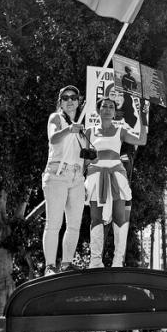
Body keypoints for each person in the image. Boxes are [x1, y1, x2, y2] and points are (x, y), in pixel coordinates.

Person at [84, 94, 147, 268]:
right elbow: (83, 159)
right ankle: (95, 261)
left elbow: (142, 140)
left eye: (111, 107)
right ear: (98, 110)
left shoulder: (121, 131)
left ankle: (118, 261)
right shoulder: (88, 130)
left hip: (117, 176)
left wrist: (143, 118)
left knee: (120, 217)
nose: (107, 109)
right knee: (96, 219)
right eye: (104, 106)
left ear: (114, 112)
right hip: (95, 177)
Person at [42, 85, 88, 274]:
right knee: (53, 223)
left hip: (77, 177)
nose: (70, 100)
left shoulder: (80, 127)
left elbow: (84, 156)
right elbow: (53, 138)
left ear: (79, 101)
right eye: (65, 97)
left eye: (73, 97)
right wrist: (69, 129)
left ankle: (67, 263)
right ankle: (50, 266)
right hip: (57, 174)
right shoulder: (56, 118)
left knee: (74, 224)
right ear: (60, 102)